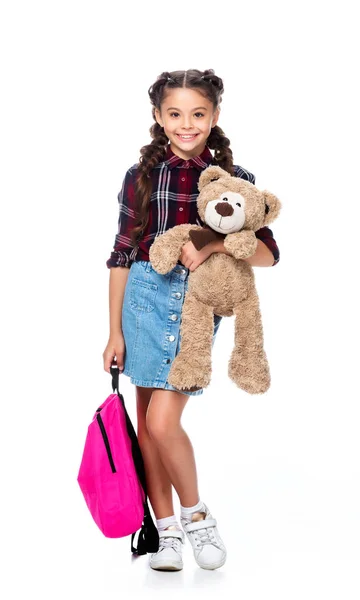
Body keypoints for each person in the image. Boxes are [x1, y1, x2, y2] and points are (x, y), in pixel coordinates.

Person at [102, 69, 280, 572]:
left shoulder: (235, 180)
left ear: (215, 116)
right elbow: (120, 256)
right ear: (158, 118)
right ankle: (166, 532)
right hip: (142, 297)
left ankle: (197, 515)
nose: (187, 125)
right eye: (175, 114)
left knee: (164, 421)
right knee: (147, 426)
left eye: (198, 114)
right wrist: (114, 331)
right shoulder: (140, 178)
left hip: (195, 309)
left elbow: (268, 253)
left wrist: (214, 245)